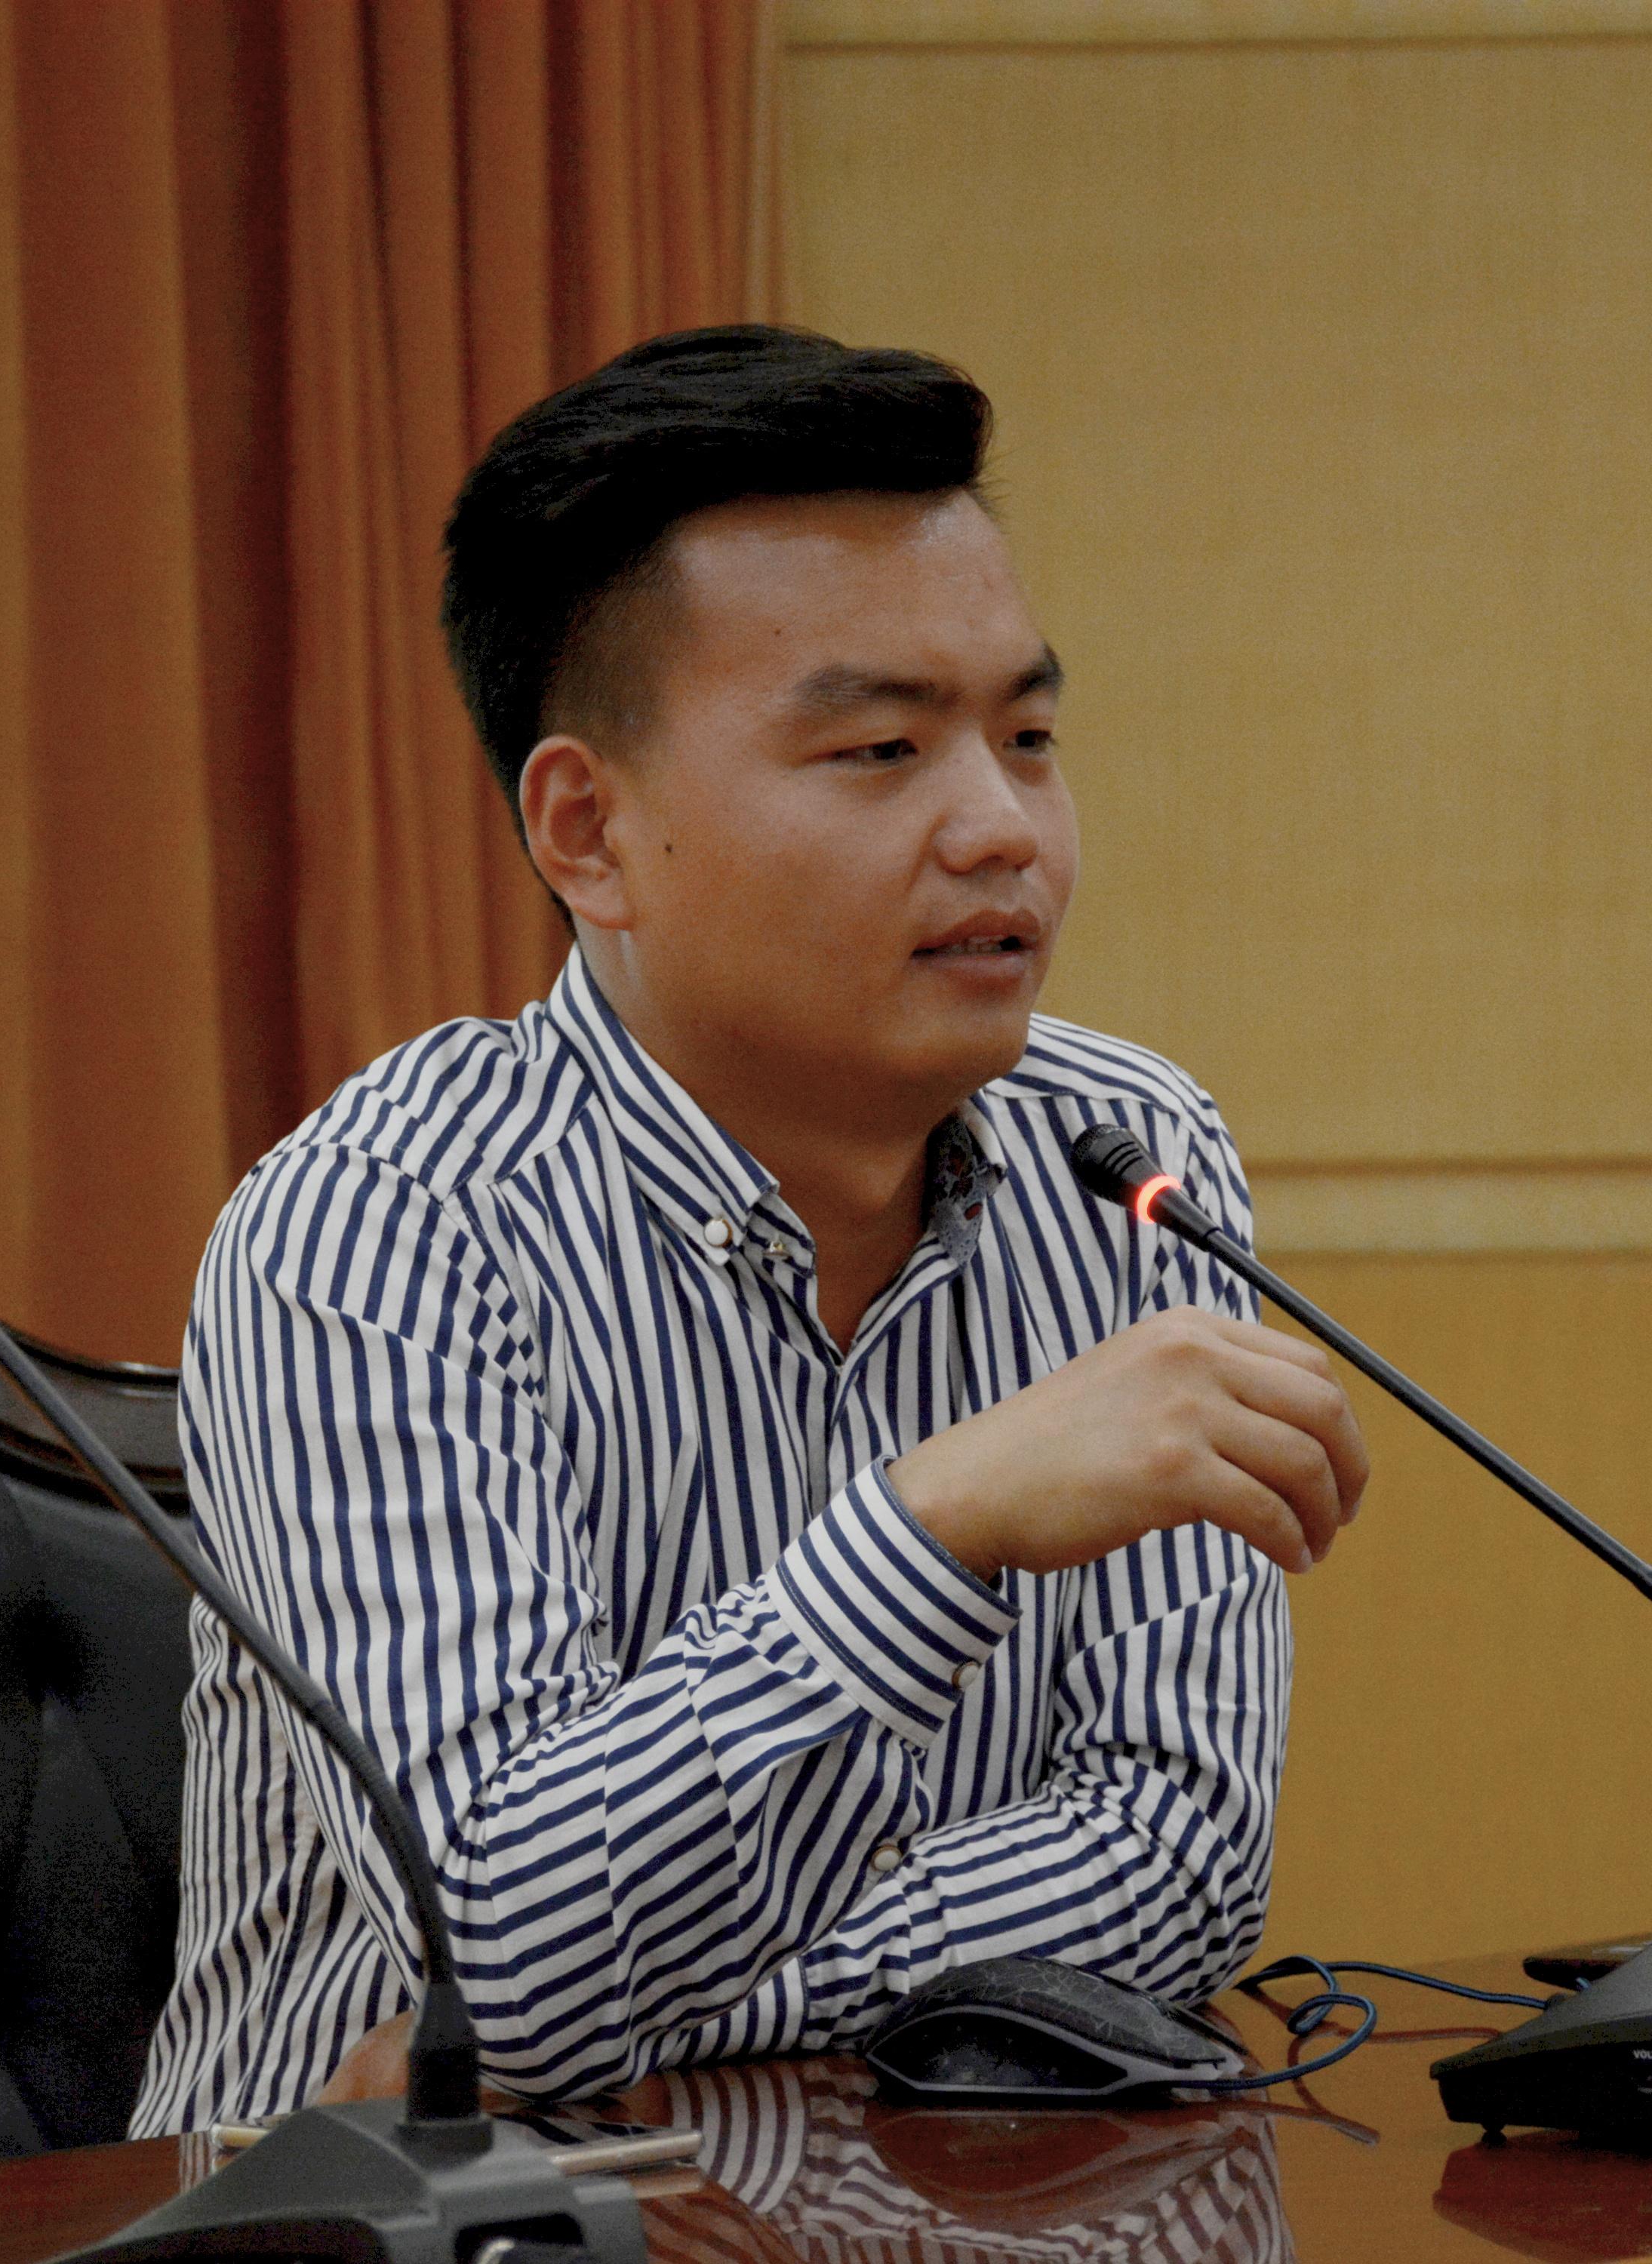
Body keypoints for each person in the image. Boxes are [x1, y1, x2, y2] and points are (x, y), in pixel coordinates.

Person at [131, 325, 1369, 2128]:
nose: (1001, 829)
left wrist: (698, 2004)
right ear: (588, 830)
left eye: (1028, 738)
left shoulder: (1128, 1163)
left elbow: (1183, 1860)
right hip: (400, 2230)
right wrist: (935, 1525)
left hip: (947, 2207)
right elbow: (497, 1950)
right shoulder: (383, 1231)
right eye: (880, 750)